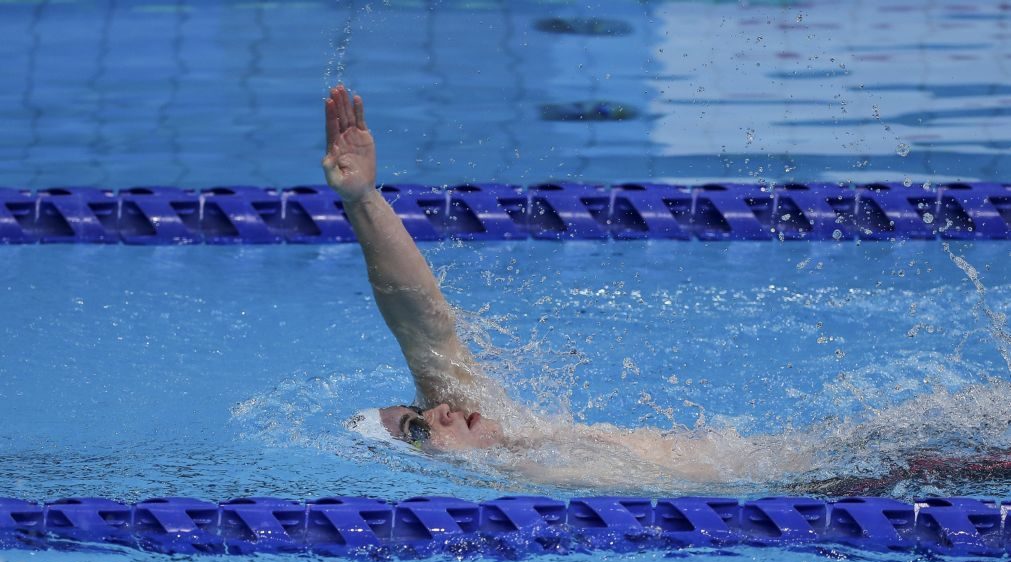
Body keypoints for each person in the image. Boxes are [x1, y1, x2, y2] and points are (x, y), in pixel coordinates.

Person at [321, 85, 1010, 490]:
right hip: (834, 484)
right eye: (419, 431)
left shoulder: (516, 437)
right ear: (431, 478)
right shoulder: (521, 484)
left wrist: (363, 201)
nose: (437, 413)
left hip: (836, 454)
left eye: (417, 409)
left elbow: (422, 321)